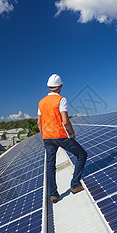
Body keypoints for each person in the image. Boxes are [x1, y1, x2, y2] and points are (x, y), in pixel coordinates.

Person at [38, 74, 87, 203]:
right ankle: (75, 185)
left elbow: (39, 123)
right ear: (59, 87)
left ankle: (53, 195)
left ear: (49, 87)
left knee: (50, 165)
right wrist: (72, 134)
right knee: (82, 155)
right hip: (61, 136)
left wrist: (45, 135)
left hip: (47, 138)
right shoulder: (61, 100)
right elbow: (65, 121)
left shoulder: (41, 102)